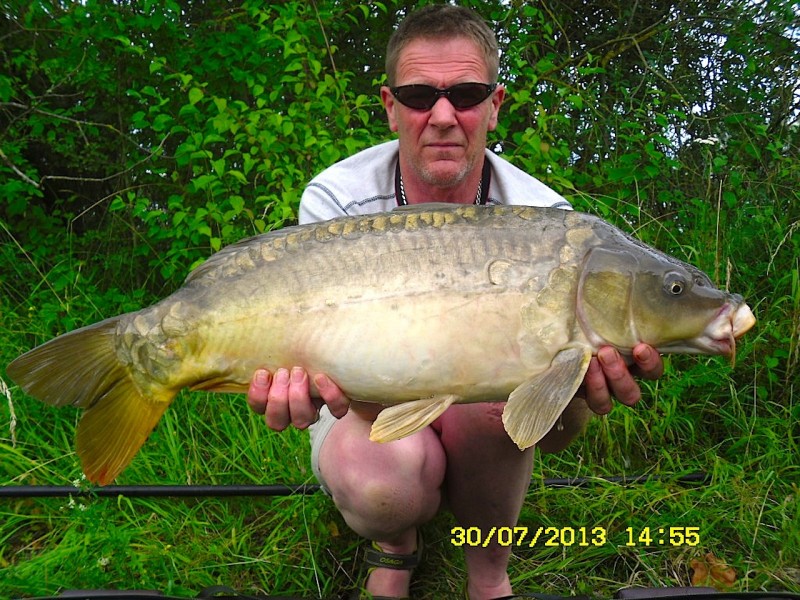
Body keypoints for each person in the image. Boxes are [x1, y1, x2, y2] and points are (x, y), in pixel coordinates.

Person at [246, 6, 664, 600]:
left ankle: (488, 570)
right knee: (382, 484)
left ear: (495, 104)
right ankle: (397, 542)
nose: (443, 115)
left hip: (482, 407)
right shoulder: (336, 198)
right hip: (365, 405)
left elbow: (547, 433)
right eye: (419, 96)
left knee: (503, 407)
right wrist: (303, 383)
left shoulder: (550, 220)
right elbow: (342, 379)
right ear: (390, 106)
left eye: (466, 93)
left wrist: (575, 397)